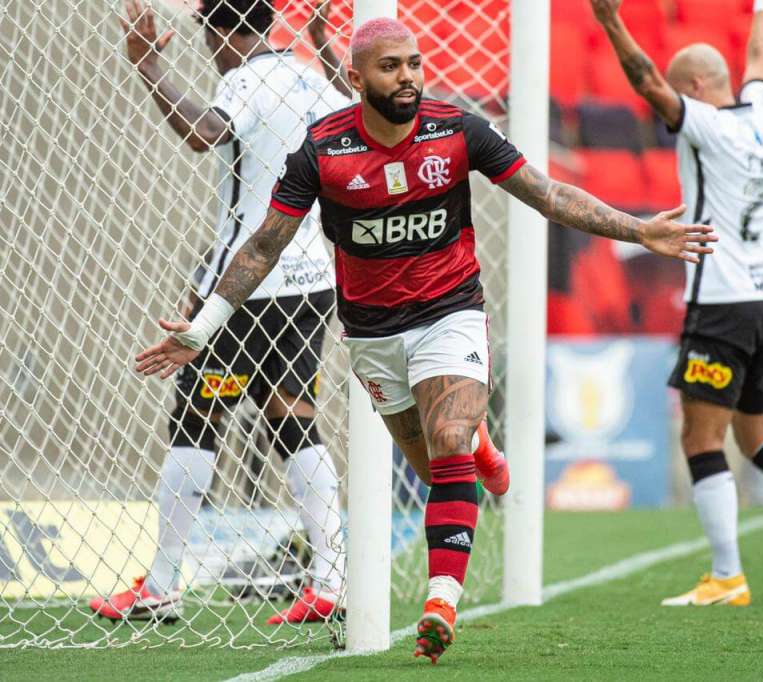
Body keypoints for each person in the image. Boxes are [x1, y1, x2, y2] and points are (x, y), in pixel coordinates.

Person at [133, 17, 715, 662]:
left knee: (448, 440)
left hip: (449, 313)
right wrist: (203, 327)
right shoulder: (321, 151)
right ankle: (479, 444)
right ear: (356, 79)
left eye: (413, 63)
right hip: (372, 333)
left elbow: (547, 195)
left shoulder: (458, 130)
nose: (408, 76)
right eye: (390, 67)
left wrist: (639, 231)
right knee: (435, 469)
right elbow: (265, 245)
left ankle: (441, 601)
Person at [590, 0, 763, 607]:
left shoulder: (708, 126)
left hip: (720, 305)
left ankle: (727, 575)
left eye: (680, 89)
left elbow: (649, 85)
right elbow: (761, 56)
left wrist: (611, 20)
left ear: (695, 87)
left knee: (701, 438)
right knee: (759, 435)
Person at [90, 0, 352, 625]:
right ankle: (331, 580)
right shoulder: (309, 78)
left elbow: (204, 132)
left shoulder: (245, 79)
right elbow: (351, 112)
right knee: (293, 422)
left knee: (196, 419)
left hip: (250, 287)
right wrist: (323, 43)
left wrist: (149, 66)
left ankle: (162, 584)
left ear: (216, 30)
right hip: (312, 279)